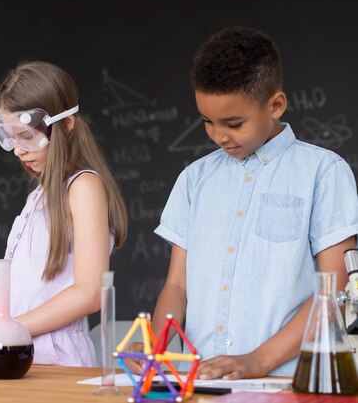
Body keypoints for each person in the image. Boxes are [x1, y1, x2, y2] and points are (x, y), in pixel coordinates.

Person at [126, 27, 358, 379]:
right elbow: (177, 285)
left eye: (234, 123)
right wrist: (154, 346)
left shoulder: (324, 173)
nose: (219, 136)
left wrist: (258, 361)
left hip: (290, 380)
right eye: (207, 122)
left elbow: (335, 289)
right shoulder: (194, 180)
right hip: (206, 380)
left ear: (276, 105)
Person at [0, 61, 128, 366]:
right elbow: (35, 295)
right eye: (11, 137)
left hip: (59, 362)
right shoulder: (37, 197)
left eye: (27, 136)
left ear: (66, 125)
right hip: (21, 356)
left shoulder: (83, 186)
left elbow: (90, 292)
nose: (19, 150)